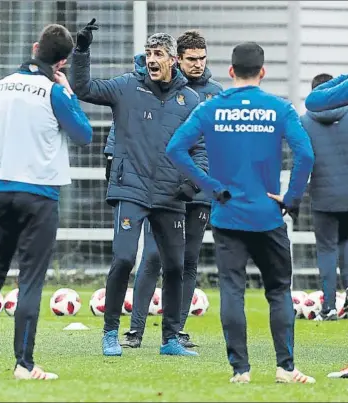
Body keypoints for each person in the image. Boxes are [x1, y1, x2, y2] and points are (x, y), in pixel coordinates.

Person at [166, 42, 316, 384]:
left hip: (227, 213)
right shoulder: (279, 108)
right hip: (267, 214)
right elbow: (305, 155)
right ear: (263, 72)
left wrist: (210, 186)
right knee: (278, 291)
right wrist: (291, 199)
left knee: (232, 291)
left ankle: (241, 370)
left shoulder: (210, 109)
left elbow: (175, 148)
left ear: (231, 71)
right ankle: (285, 368)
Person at [0, 24, 92, 380]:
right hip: (40, 197)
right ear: (62, 62)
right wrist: (70, 93)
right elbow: (84, 135)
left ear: (35, 47)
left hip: (0, 193)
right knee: (30, 281)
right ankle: (24, 365)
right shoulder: (54, 92)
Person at [71, 19, 202, 357]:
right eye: (148, 53)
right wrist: (81, 50)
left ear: (173, 59)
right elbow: (83, 89)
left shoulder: (190, 101)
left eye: (158, 53)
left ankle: (170, 339)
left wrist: (191, 182)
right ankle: (111, 333)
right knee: (124, 259)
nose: (152, 59)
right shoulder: (127, 86)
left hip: (171, 195)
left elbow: (202, 148)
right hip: (131, 189)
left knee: (174, 266)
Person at [116, 31, 222, 349]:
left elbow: (213, 142)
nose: (198, 64)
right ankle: (136, 330)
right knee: (152, 257)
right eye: (192, 59)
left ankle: (176, 330)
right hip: (164, 189)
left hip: (198, 192)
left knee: (186, 261)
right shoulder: (156, 89)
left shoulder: (216, 94)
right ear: (178, 59)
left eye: (202, 59)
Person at [300, 73, 348, 321]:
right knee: (346, 246)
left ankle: (329, 307)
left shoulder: (304, 122)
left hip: (322, 195)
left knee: (326, 250)